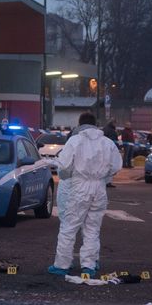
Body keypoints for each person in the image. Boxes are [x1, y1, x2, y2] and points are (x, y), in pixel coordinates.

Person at [48, 111, 122, 278]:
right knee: (92, 228)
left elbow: (64, 167)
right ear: (95, 124)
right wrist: (103, 176)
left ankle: (62, 264)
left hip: (79, 186)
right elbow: (116, 166)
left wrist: (68, 177)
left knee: (69, 226)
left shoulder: (75, 140)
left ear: (80, 124)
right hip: (99, 187)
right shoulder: (107, 142)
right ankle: (89, 264)